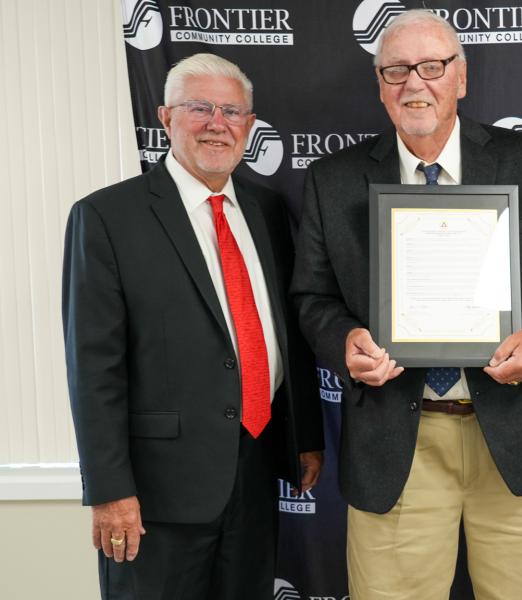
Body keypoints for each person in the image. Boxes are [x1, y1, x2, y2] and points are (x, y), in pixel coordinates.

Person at [290, 10, 522, 600]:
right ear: (379, 85)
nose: (413, 84)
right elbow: (313, 297)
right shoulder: (334, 180)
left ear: (462, 77)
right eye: (396, 70)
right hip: (397, 443)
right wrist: (345, 342)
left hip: (515, 440)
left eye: (431, 66)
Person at [62, 53, 324, 600]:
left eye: (232, 110)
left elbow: (284, 332)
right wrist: (110, 491)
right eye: (199, 107)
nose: (216, 122)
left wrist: (304, 438)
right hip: (155, 494)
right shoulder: (107, 218)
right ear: (165, 117)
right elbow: (94, 369)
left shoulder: (268, 210)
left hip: (255, 471)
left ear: (250, 125)